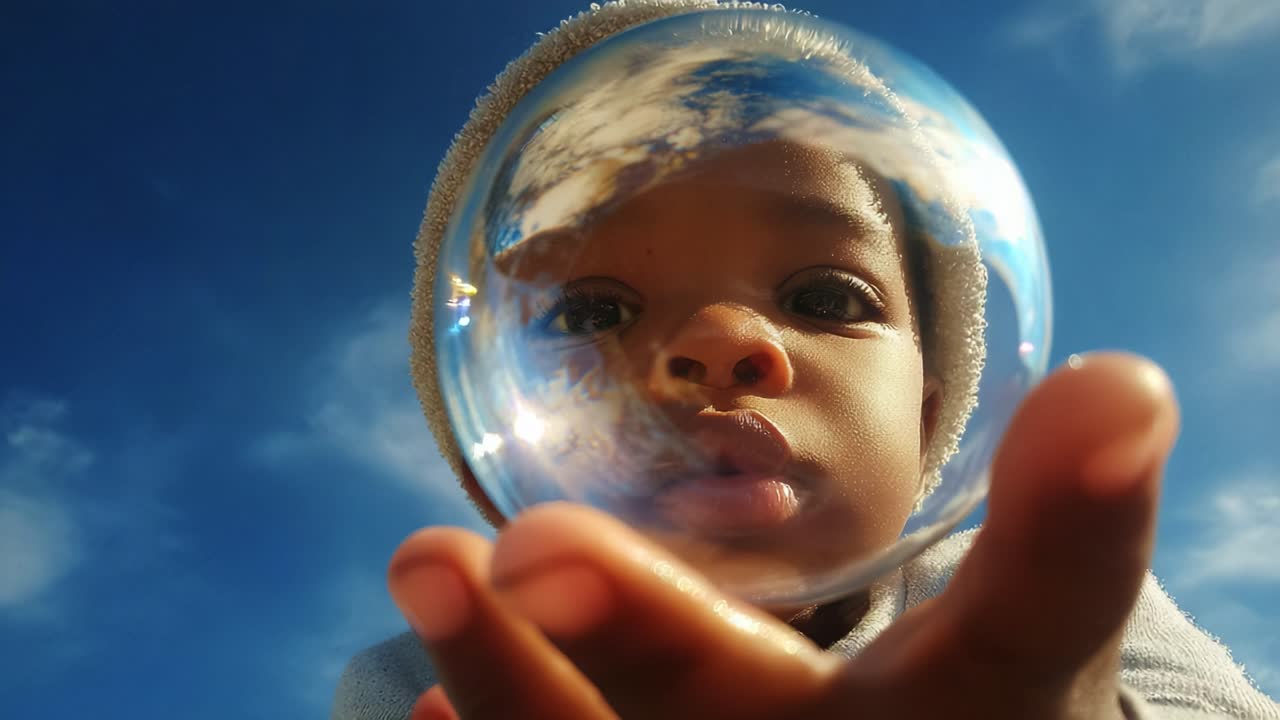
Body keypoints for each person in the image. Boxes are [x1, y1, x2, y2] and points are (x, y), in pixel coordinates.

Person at [332, 2, 1280, 719]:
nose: (718, 341)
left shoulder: (1025, 603)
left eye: (826, 299)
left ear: (926, 421)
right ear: (491, 424)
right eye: (591, 310)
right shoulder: (424, 671)